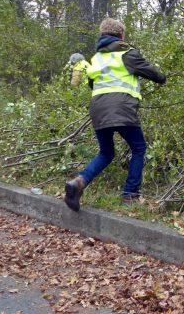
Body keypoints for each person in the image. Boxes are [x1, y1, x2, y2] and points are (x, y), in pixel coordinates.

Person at [64, 18, 166, 212]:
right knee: (138, 148)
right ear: (121, 35)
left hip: (98, 110)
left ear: (103, 36)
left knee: (106, 152)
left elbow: (93, 84)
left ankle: (78, 182)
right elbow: (157, 76)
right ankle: (130, 194)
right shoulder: (128, 55)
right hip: (122, 108)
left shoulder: (96, 59)